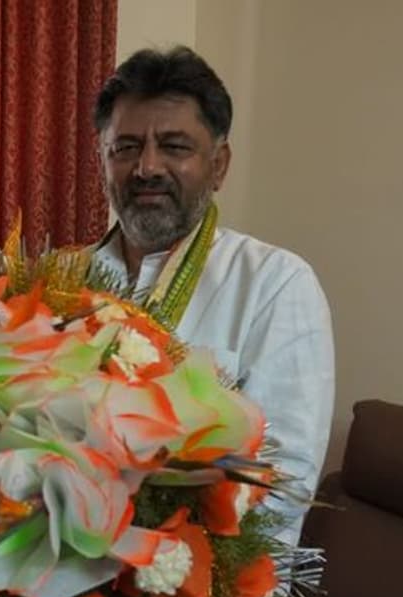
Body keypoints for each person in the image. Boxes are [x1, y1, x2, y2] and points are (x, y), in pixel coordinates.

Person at [91, 47, 335, 546]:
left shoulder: (275, 284)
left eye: (175, 146)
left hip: (201, 593)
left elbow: (279, 493)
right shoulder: (66, 280)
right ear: (104, 162)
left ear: (218, 165)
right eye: (127, 147)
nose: (147, 167)